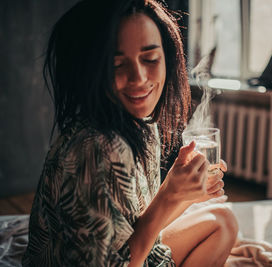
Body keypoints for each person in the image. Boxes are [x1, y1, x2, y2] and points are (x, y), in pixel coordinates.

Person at [22, 0, 238, 266]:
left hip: (129, 253)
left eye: (150, 59)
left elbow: (134, 226)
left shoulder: (141, 125)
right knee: (222, 223)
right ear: (93, 70)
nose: (138, 78)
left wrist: (182, 195)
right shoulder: (99, 148)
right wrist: (169, 194)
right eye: (117, 64)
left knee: (222, 219)